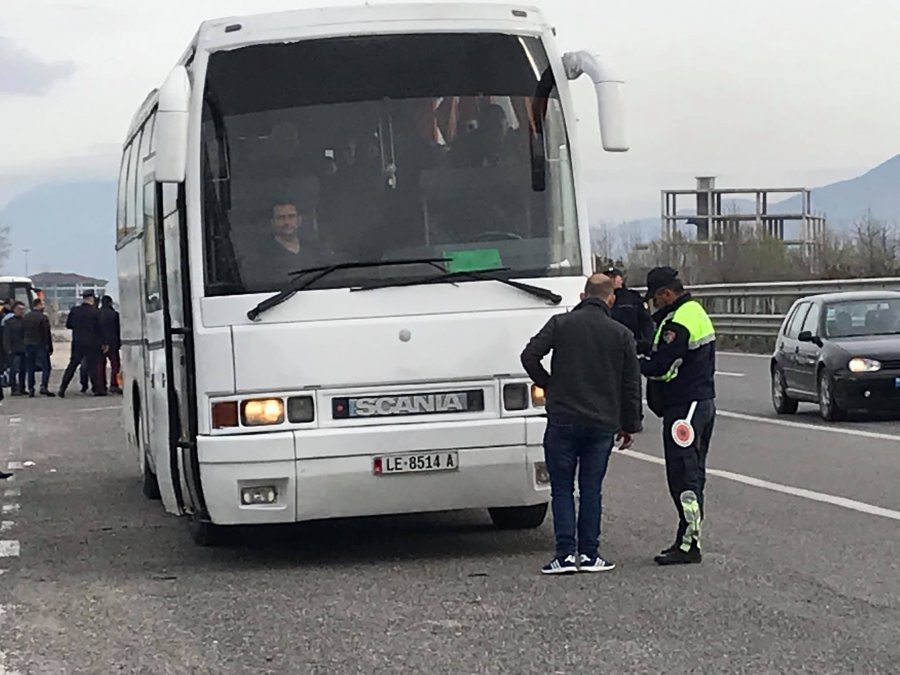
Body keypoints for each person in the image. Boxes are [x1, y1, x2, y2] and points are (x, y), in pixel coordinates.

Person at [521, 273, 642, 575]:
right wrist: (630, 424)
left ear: (581, 296)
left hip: (562, 418)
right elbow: (631, 385)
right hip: (601, 422)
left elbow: (530, 355)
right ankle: (589, 554)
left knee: (561, 488)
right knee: (591, 489)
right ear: (610, 298)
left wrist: (549, 384)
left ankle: (564, 555)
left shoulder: (561, 324)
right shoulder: (620, 333)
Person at [639, 266, 716, 566]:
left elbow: (664, 367)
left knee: (684, 475)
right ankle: (688, 537)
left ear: (666, 293)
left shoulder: (679, 322)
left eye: (655, 299)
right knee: (691, 473)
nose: (654, 305)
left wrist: (632, 363)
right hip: (695, 404)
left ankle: (688, 543)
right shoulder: (689, 312)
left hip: (686, 408)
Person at [58, 291, 106, 397]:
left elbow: (68, 325)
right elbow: (100, 329)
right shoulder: (95, 312)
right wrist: (104, 342)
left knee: (72, 365)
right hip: (92, 343)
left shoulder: (75, 311)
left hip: (77, 341)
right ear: (91, 299)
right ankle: (97, 389)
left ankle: (62, 388)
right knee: (92, 366)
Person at [23, 297, 56, 397]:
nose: (44, 306)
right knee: (46, 367)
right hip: (40, 345)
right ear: (38, 305)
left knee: (30, 368)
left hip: (28, 345)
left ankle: (31, 388)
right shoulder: (43, 318)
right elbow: (46, 334)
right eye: (42, 304)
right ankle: (43, 386)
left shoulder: (26, 317)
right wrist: (50, 347)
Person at [2, 302, 27, 396]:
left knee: (23, 370)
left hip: (24, 349)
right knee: (13, 370)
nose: (22, 311)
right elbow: (6, 337)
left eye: (23, 309)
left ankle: (22, 388)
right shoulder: (9, 322)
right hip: (14, 350)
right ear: (15, 310)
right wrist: (8, 349)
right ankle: (14, 388)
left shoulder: (25, 321)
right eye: (20, 309)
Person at [99, 295, 122, 394]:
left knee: (100, 366)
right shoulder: (115, 314)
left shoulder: (97, 314)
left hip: (100, 344)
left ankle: (102, 385)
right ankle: (114, 384)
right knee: (115, 365)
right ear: (110, 303)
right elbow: (118, 330)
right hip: (113, 344)